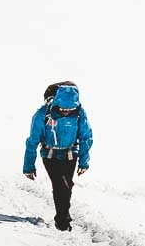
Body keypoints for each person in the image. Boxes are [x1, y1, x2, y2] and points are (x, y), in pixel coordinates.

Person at [23, 81, 93, 231]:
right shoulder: (43, 114)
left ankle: (63, 217)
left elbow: (86, 137)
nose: (66, 111)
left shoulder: (79, 113)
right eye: (62, 108)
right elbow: (32, 141)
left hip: (70, 153)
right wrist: (29, 166)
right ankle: (62, 222)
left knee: (67, 186)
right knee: (60, 185)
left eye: (70, 108)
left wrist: (83, 162)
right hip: (49, 154)